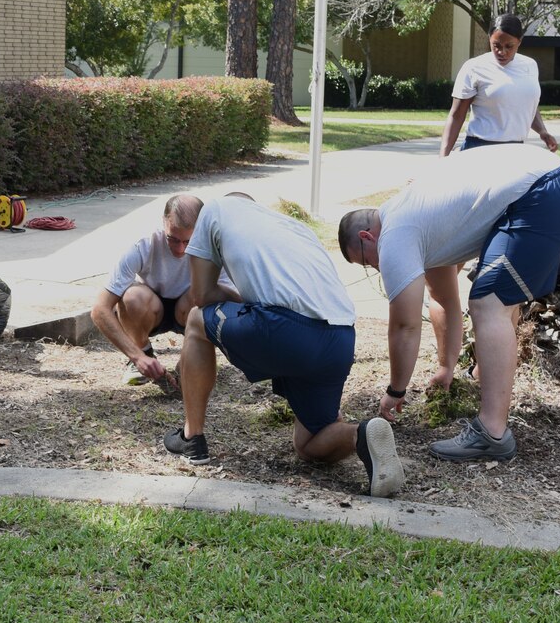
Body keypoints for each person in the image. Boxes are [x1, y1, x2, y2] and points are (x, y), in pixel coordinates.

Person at [338, 144, 560, 464]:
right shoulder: (420, 221)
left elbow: (405, 326)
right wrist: (447, 368)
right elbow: (445, 300)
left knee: (488, 303)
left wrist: (396, 391)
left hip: (539, 193)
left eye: (367, 261)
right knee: (499, 299)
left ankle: (491, 434)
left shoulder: (395, 235)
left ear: (367, 236)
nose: (377, 267)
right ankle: (491, 398)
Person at [167, 193, 403, 498]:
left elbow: (201, 295)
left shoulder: (213, 209)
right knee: (308, 444)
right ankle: (363, 433)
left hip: (284, 329)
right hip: (340, 338)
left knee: (197, 321)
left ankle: (192, 437)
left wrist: (241, 302)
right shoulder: (294, 227)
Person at [91, 194, 232, 388]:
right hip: (151, 306)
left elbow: (231, 299)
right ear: (163, 222)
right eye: (172, 239)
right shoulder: (143, 244)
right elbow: (99, 309)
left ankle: (192, 355)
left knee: (211, 294)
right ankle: (145, 354)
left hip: (190, 307)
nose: (180, 249)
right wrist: (137, 356)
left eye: (188, 241)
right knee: (131, 297)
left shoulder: (217, 246)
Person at [441, 13, 560, 157]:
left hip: (516, 151)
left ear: (520, 41)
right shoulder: (474, 67)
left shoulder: (530, 65)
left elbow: (528, 104)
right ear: (489, 39)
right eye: (496, 45)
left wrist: (542, 131)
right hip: (480, 150)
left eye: (509, 46)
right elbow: (457, 115)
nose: (501, 52)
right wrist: (443, 157)